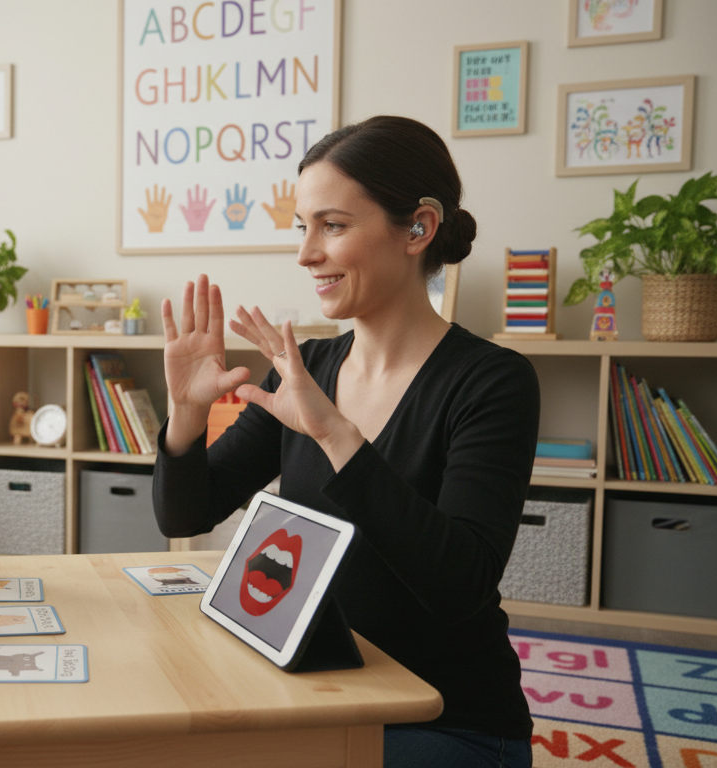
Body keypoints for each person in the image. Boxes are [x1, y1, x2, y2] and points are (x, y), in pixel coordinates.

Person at [153, 116, 538, 768]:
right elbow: (187, 512)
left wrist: (335, 434)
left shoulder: (492, 382)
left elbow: (459, 584)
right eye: (302, 227)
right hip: (319, 691)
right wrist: (186, 416)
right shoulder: (306, 368)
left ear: (418, 228)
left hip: (449, 719)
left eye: (331, 226)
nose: (306, 253)